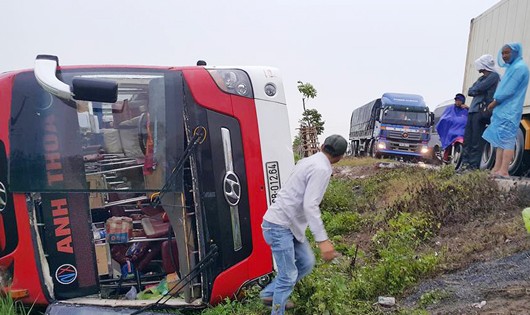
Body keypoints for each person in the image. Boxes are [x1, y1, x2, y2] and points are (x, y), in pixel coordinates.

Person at [260, 135, 346, 314]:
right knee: (288, 276)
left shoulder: (308, 161)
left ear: (322, 146)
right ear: (340, 157)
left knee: (306, 262)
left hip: (288, 226)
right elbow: (310, 205)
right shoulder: (322, 168)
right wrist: (323, 240)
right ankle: (278, 309)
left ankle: (269, 294)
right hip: (279, 226)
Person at [482, 43, 529, 178]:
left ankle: (504, 170)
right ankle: (497, 168)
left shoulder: (519, 68)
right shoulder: (513, 67)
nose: (504, 56)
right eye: (503, 53)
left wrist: (494, 102)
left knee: (507, 139)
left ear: (515, 52)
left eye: (507, 53)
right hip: (504, 110)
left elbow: (508, 90)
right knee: (500, 140)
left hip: (510, 109)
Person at [458, 54, 500, 172]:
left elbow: (478, 88)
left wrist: (476, 89)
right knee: (467, 140)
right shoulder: (481, 78)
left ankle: (473, 166)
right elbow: (471, 91)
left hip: (481, 112)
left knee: (476, 140)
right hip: (472, 111)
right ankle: (465, 165)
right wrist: (476, 89)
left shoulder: (494, 76)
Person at [435, 93, 469, 163]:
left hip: (462, 131)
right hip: (451, 130)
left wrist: (468, 108)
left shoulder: (466, 109)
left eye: (459, 100)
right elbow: (444, 118)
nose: (457, 102)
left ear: (463, 101)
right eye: (456, 100)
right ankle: (446, 157)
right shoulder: (450, 108)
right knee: (449, 142)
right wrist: (448, 121)